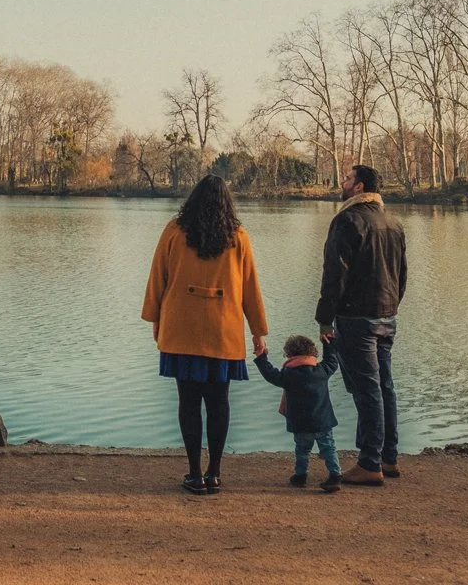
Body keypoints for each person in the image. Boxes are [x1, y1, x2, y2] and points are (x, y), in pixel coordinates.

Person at [141, 174, 268, 495]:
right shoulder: (238, 236)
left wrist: (154, 317)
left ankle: (194, 473)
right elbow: (251, 287)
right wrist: (258, 331)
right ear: (228, 202)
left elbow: (158, 277)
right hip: (222, 331)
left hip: (181, 328)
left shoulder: (174, 231)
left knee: (188, 402)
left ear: (193, 199)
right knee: (219, 402)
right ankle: (214, 473)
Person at [316, 164, 407, 486]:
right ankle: (389, 457)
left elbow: (334, 275)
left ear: (359, 187)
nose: (342, 182)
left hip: (356, 317)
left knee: (367, 390)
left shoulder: (347, 220)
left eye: (347, 178)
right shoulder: (393, 222)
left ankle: (370, 462)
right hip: (387, 315)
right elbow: (402, 274)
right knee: (385, 386)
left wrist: (324, 319)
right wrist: (391, 307)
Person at [253, 334, 342, 491]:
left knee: (302, 450)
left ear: (289, 355)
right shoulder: (321, 371)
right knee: (328, 447)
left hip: (300, 423)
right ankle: (335, 475)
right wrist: (328, 344)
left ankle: (300, 475)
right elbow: (332, 362)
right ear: (313, 353)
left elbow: (269, 373)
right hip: (323, 421)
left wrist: (262, 357)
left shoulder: (288, 375)